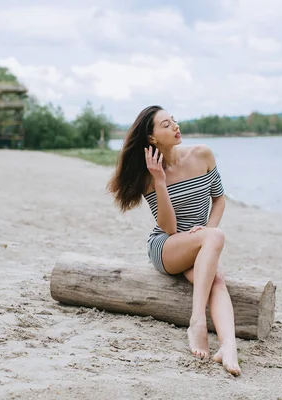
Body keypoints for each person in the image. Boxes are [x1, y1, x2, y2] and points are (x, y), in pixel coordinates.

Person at [107, 105, 241, 376]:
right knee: (215, 240)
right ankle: (197, 323)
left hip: (199, 242)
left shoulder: (202, 154)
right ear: (152, 138)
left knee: (216, 279)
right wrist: (159, 180)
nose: (175, 126)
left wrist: (206, 231)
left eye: (174, 121)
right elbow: (167, 227)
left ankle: (229, 346)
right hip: (166, 247)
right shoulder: (149, 174)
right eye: (166, 125)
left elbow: (219, 199)